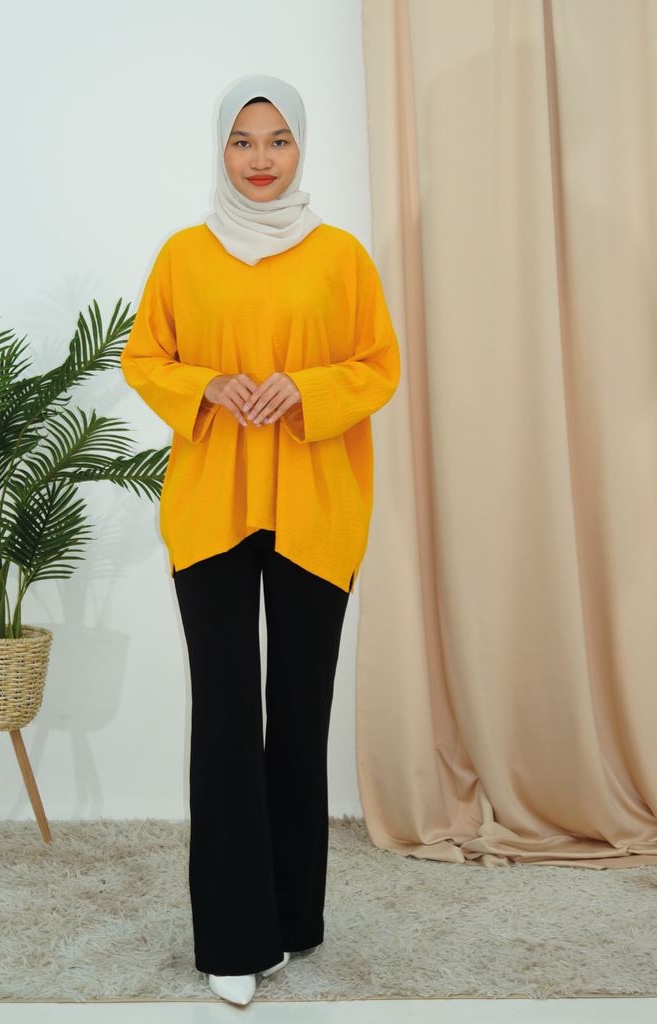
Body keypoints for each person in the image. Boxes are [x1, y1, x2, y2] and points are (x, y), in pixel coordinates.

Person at [121, 74, 400, 1006]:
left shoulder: (341, 257)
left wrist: (307, 389)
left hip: (317, 509)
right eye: (243, 141)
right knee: (228, 714)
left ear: (300, 147)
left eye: (278, 140)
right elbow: (144, 356)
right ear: (222, 151)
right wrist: (204, 384)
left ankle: (290, 918)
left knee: (300, 712)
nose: (261, 159)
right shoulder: (184, 255)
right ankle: (233, 941)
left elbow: (378, 364)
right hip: (213, 509)